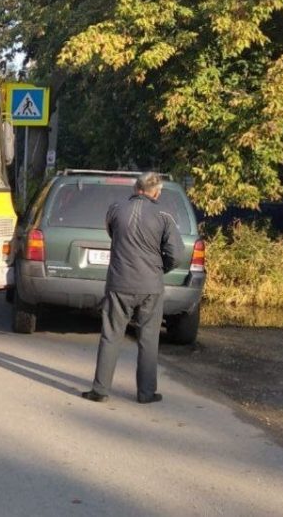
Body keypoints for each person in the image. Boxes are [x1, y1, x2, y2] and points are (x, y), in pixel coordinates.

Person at [82, 172, 184, 405]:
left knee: (110, 335)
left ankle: (100, 390)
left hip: (119, 283)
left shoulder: (116, 209)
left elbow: (112, 233)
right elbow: (176, 255)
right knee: (148, 339)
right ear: (157, 192)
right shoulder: (164, 216)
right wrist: (160, 268)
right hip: (151, 287)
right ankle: (146, 393)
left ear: (135, 188)